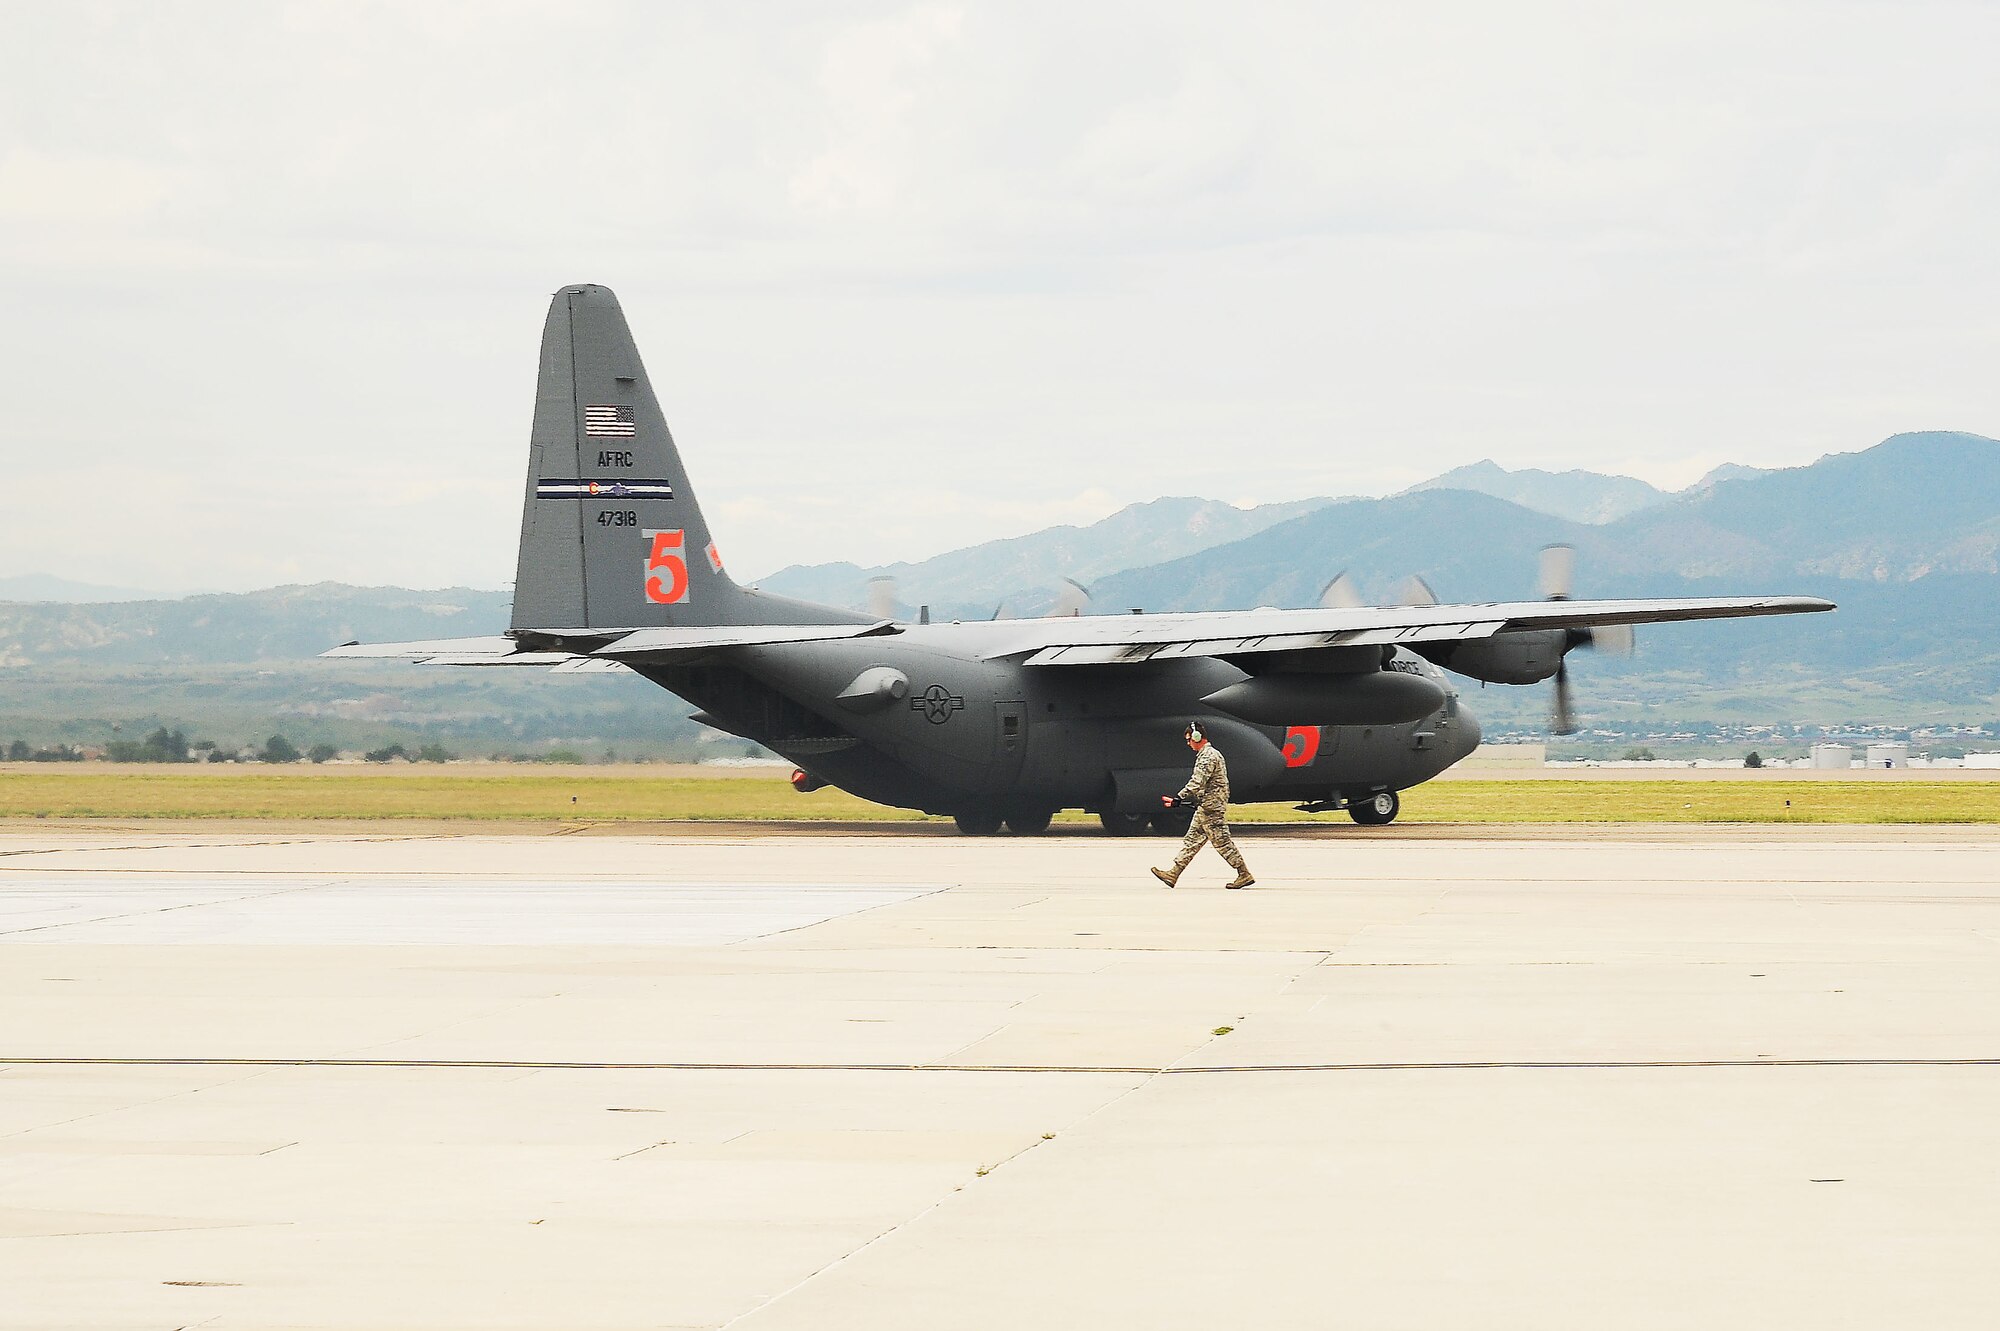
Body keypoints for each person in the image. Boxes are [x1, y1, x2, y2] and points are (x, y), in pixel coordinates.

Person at [1151, 722, 1254, 889]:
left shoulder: (1208, 756)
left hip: (1211, 807)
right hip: (1206, 805)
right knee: (1192, 840)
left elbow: (1197, 782)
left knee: (1222, 842)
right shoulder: (1209, 754)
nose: (1188, 743)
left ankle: (1243, 873)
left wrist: (1178, 798)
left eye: (1189, 739)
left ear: (1197, 737)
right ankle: (1173, 873)